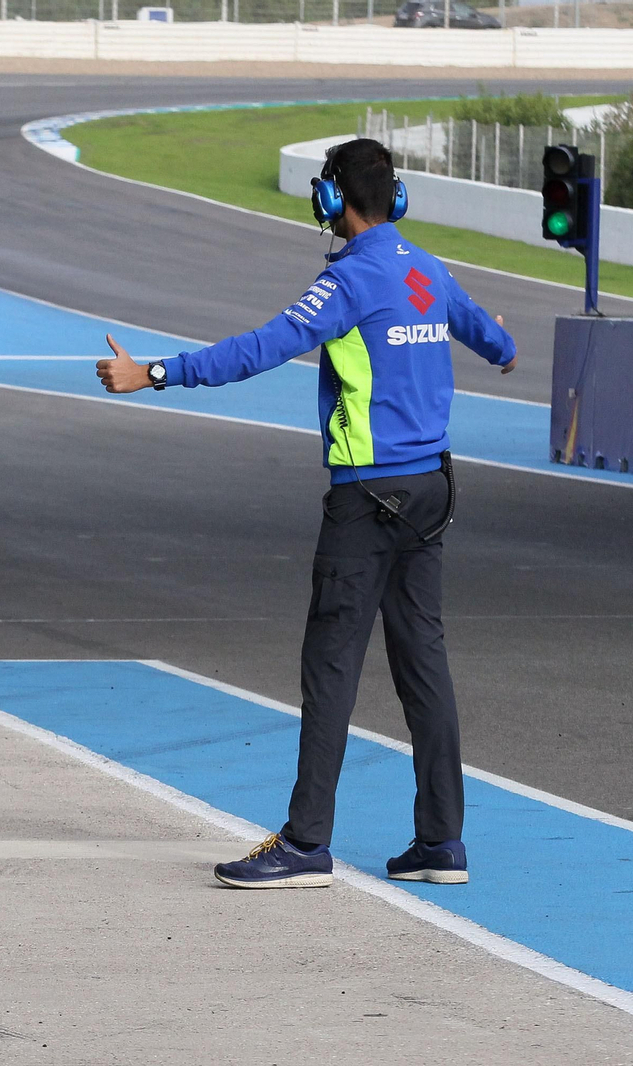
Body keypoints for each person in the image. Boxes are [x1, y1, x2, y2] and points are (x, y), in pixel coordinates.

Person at [95, 138, 516, 889]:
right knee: (424, 664)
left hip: (368, 498)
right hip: (432, 491)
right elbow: (495, 340)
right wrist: (502, 345)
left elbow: (260, 349)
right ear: (397, 197)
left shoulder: (348, 280)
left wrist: (153, 372)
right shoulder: (428, 269)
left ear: (332, 201)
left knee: (330, 666)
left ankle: (306, 844)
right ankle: (442, 842)